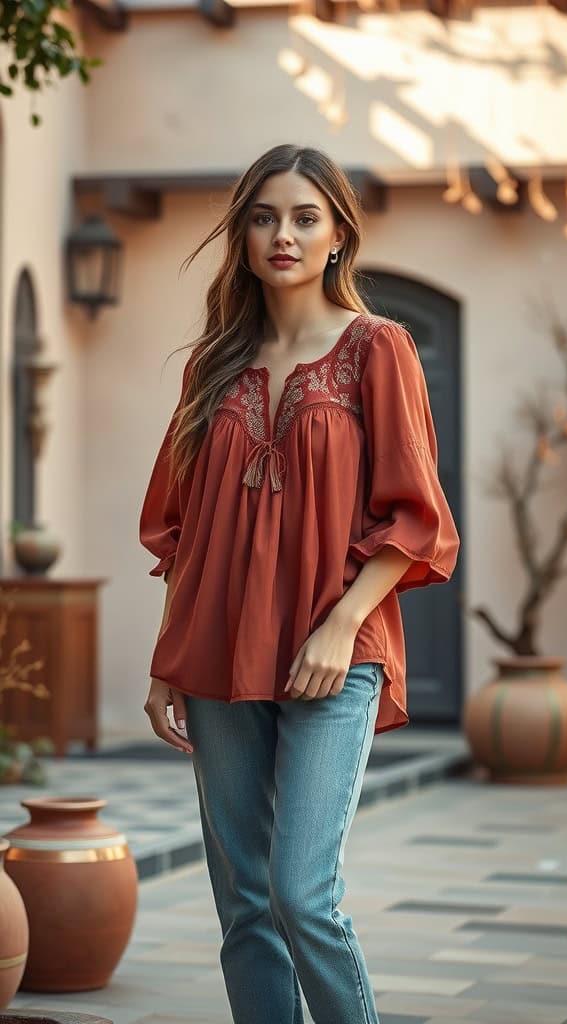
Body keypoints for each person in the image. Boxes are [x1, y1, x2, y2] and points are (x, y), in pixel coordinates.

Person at [139, 143, 460, 1024]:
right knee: (244, 904)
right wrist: (169, 659)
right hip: (215, 652)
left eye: (304, 217)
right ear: (242, 235)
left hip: (335, 651)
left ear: (336, 237)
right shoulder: (210, 368)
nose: (283, 234)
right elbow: (184, 533)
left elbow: (415, 517)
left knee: (299, 893)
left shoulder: (377, 350)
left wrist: (342, 623)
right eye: (263, 216)